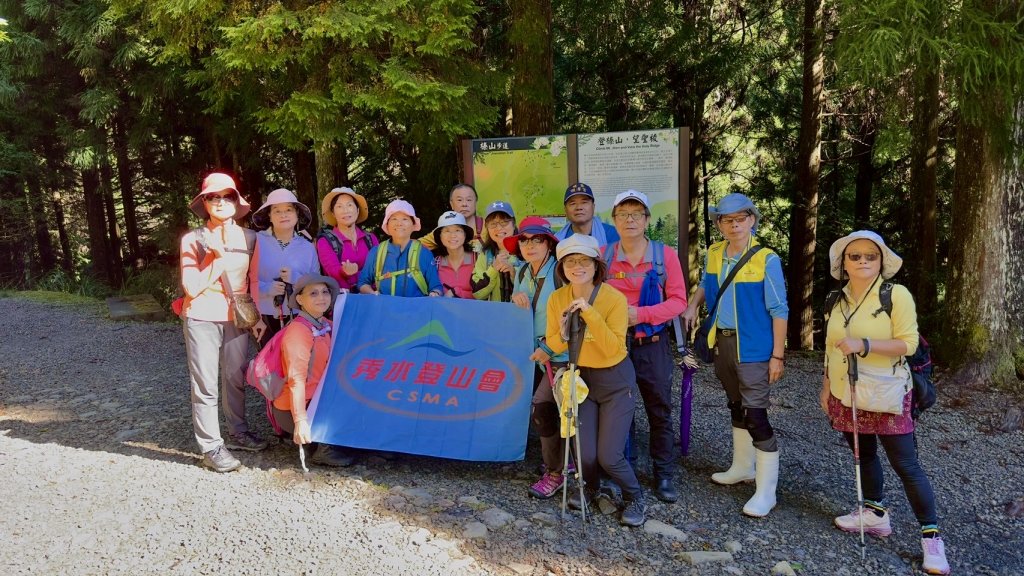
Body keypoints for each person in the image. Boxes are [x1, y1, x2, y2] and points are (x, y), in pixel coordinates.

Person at [821, 230, 949, 575]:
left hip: (887, 391)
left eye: (870, 256)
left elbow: (907, 344)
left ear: (881, 261)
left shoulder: (896, 295)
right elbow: (832, 346)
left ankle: (931, 538)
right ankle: (875, 514)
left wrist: (863, 343)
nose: (863, 261)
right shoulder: (836, 299)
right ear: (843, 263)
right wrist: (825, 386)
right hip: (844, 391)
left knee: (906, 464)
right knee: (863, 453)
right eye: (855, 256)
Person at [682, 192, 787, 517]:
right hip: (723, 342)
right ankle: (743, 467)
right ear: (719, 224)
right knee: (736, 405)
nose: (734, 224)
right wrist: (692, 305)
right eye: (727, 220)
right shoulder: (715, 252)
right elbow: (708, 283)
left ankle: (766, 491)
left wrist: (777, 356)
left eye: (740, 218)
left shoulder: (766, 258)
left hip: (754, 347)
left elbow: (779, 308)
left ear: (751, 220)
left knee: (756, 414)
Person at [544, 234, 646, 527]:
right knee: (584, 452)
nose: (578, 266)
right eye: (571, 261)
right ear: (562, 267)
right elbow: (555, 344)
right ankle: (589, 490)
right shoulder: (557, 298)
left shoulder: (613, 298)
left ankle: (635, 496)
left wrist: (589, 313)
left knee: (609, 456)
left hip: (615, 381)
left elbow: (615, 349)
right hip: (582, 380)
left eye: (584, 260)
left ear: (596, 265)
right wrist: (564, 330)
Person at [179, 172, 267, 473]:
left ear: (236, 201)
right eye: (213, 197)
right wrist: (216, 258)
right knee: (205, 383)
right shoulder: (193, 239)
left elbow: (252, 281)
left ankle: (238, 432)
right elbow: (191, 286)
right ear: (204, 203)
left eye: (226, 196)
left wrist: (256, 317)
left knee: (235, 376)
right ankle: (211, 446)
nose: (220, 202)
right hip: (201, 314)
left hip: (237, 317)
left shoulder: (251, 238)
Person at [605, 189, 688, 503]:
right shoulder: (604, 254)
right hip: (615, 345)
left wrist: (640, 314)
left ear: (647, 219)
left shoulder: (664, 255)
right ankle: (624, 469)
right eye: (623, 214)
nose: (630, 220)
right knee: (619, 410)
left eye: (636, 214)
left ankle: (663, 473)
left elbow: (678, 301)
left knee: (659, 409)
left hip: (652, 344)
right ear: (614, 220)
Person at [505, 217, 569, 499]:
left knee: (546, 408)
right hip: (531, 354)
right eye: (524, 240)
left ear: (549, 243)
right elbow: (520, 311)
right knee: (547, 411)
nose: (529, 245)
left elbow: (572, 317)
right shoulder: (521, 273)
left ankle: (557, 473)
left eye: (537, 240)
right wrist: (513, 301)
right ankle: (558, 466)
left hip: (560, 355)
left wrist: (552, 348)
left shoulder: (561, 272)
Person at [269, 274, 353, 467]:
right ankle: (323, 448)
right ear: (299, 299)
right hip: (297, 408)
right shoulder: (298, 332)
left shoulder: (325, 324)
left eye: (325, 292)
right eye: (313, 293)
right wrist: (300, 421)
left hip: (318, 399)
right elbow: (296, 380)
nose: (321, 297)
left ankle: (322, 441)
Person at [248, 188, 320, 347]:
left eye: (288, 209)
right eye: (277, 211)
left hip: (300, 316)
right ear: (269, 216)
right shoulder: (255, 242)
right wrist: (266, 289)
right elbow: (243, 280)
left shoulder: (308, 247)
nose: (284, 215)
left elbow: (317, 285)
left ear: (297, 214)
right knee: (268, 366)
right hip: (264, 316)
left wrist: (296, 279)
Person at [357, 199, 443, 297]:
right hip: (384, 310)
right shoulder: (376, 252)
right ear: (387, 224)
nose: (399, 223)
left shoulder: (424, 253)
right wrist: (372, 293)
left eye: (405, 219)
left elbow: (436, 286)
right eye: (394, 219)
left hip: (416, 311)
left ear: (413, 224)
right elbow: (362, 283)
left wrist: (435, 293)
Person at [316, 187, 379, 292]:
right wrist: (344, 271)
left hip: (371, 299)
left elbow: (379, 268)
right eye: (339, 206)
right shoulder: (325, 241)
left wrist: (355, 274)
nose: (345, 210)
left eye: (349, 205)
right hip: (342, 302)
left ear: (357, 210)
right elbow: (333, 271)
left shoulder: (371, 238)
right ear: (333, 213)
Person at [471, 200, 519, 302]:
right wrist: (493, 269)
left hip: (522, 315)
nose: (499, 228)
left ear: (513, 224)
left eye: (504, 222)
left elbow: (535, 289)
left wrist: (513, 273)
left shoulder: (525, 251)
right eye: (493, 224)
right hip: (495, 315)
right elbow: (477, 293)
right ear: (487, 228)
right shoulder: (485, 255)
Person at [554, 182, 619, 248]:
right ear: (565, 209)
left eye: (584, 202)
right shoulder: (557, 240)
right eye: (573, 203)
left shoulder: (613, 234)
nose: (579, 207)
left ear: (593, 206)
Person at [430, 211, 477, 298]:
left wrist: (456, 292)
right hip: (444, 311)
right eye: (447, 231)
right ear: (440, 236)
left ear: (465, 234)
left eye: (457, 230)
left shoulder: (478, 259)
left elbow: (485, 294)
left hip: (474, 311)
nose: (452, 235)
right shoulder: (435, 263)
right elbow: (434, 290)